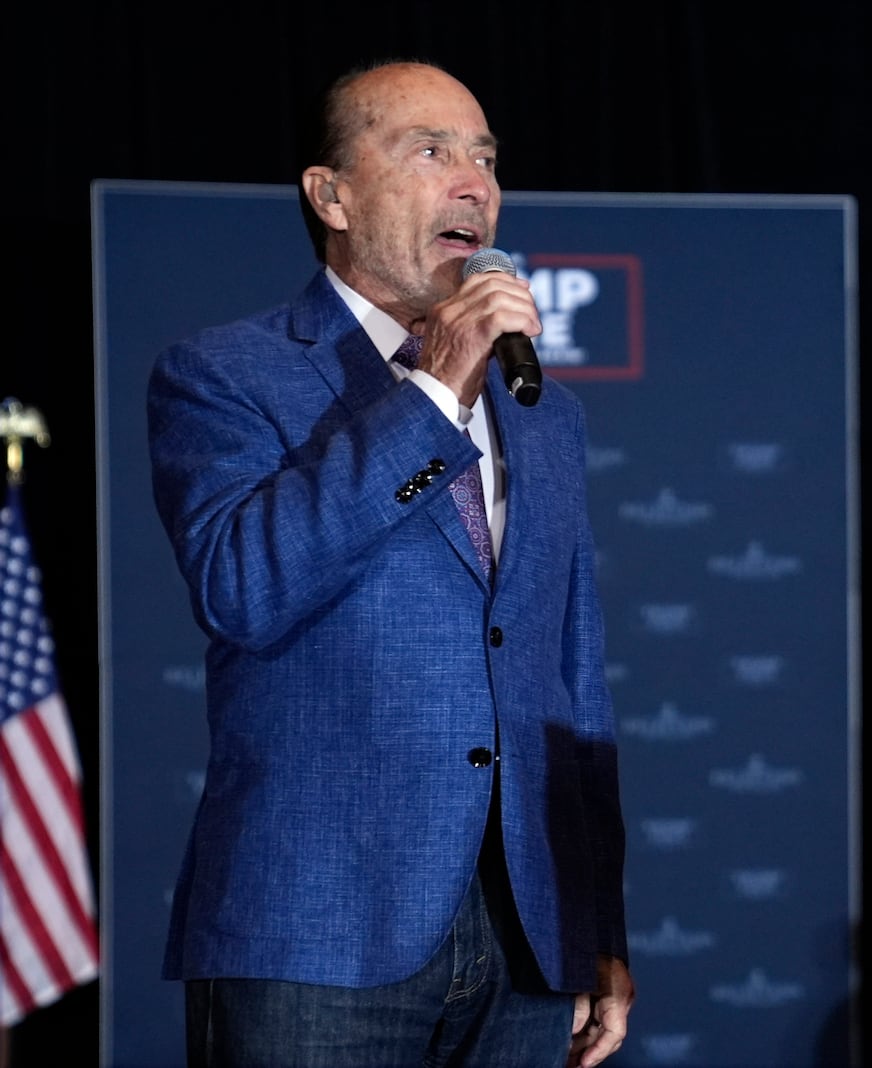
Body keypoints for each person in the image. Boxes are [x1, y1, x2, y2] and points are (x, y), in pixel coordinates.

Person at [146, 59, 632, 1067]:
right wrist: (432, 395)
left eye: (487, 158)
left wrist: (596, 924)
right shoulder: (226, 373)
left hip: (525, 940)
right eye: (430, 152)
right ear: (332, 195)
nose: (475, 184)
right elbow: (245, 586)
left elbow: (573, 683)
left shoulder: (547, 416)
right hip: (313, 937)